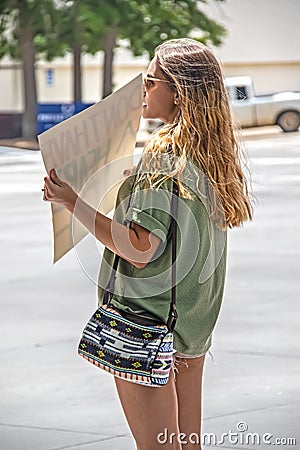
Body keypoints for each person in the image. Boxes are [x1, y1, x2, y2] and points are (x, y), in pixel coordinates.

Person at [43, 38, 252, 450]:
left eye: (151, 80)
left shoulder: (163, 153)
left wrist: (71, 202)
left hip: (147, 328)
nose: (142, 88)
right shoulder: (211, 154)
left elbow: (140, 248)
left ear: (178, 92)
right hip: (190, 332)